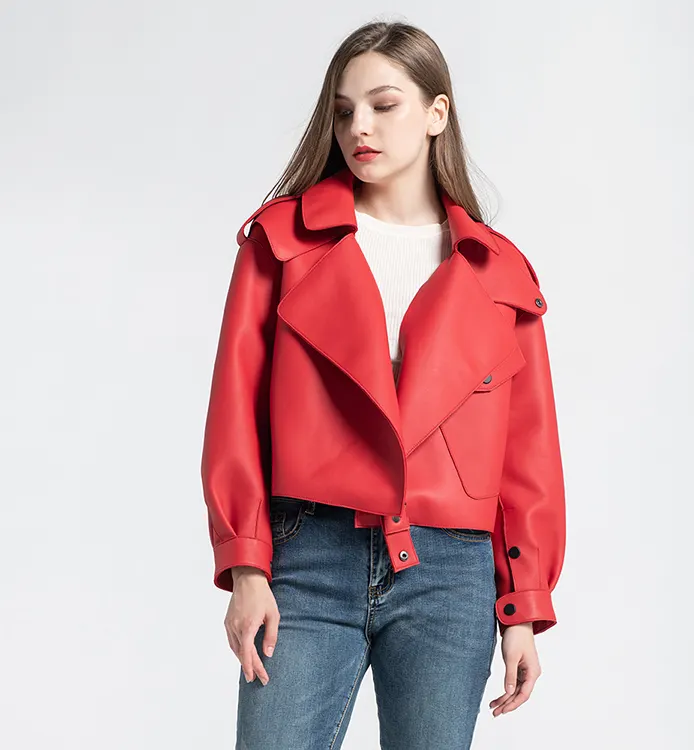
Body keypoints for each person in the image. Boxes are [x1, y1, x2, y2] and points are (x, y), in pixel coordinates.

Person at [200, 19, 566, 750]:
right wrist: (246, 564)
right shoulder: (281, 244)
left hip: (450, 573)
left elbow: (528, 453)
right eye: (343, 111)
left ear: (436, 113)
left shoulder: (498, 274)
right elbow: (234, 412)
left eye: (384, 105)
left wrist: (522, 606)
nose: (358, 127)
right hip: (306, 555)